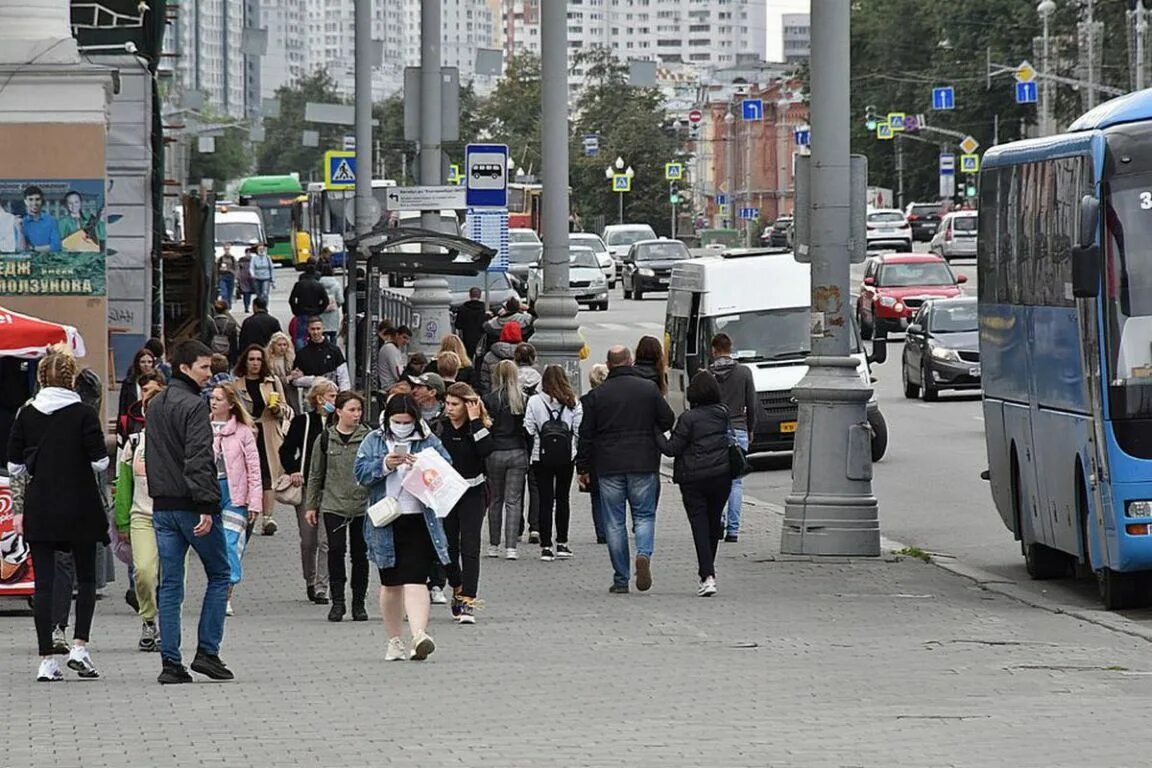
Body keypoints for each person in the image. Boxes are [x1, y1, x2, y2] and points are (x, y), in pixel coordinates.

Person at [7, 352, 108, 681]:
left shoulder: (27, 414)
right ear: (72, 379)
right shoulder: (83, 413)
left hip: (42, 504)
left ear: (40, 379)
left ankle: (46, 660)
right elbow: (100, 462)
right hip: (80, 503)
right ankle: (80, 646)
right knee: (87, 578)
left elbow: (15, 466)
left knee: (44, 583)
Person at [145, 339, 234, 684]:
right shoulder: (195, 406)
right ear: (185, 368)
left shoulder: (155, 405)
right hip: (190, 504)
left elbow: (154, 455)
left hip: (162, 505)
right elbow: (199, 459)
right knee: (219, 573)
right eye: (204, 367)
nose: (210, 374)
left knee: (170, 585)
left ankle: (170, 663)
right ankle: (207, 652)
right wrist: (207, 506)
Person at [354, 394, 452, 661]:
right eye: (398, 421)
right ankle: (395, 639)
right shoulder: (374, 440)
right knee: (391, 583)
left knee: (417, 578)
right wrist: (385, 465)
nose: (402, 426)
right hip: (386, 520)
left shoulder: (428, 440)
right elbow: (360, 473)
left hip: (420, 518)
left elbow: (446, 471)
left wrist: (423, 467)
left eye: (407, 422)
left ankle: (419, 635)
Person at [576, 346, 674, 594]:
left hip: (608, 465)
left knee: (614, 522)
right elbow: (668, 419)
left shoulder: (597, 396)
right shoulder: (648, 389)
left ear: (608, 366)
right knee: (644, 515)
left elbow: (585, 435)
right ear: (629, 362)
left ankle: (621, 578)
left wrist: (583, 467)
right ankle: (643, 553)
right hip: (643, 461)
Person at [654, 372, 733, 597]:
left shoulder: (689, 418)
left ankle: (707, 576)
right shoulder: (723, 413)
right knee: (713, 523)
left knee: (699, 525)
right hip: (721, 476)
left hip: (694, 479)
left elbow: (672, 449)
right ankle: (708, 571)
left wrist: (655, 432)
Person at [306, 392, 371, 622]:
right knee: (335, 551)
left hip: (362, 505)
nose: (356, 414)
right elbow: (315, 474)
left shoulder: (369, 437)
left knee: (360, 555)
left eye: (359, 410)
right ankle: (338, 602)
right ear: (339, 411)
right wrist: (311, 505)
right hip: (333, 505)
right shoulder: (325, 438)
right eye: (352, 410)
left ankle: (359, 603)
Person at [113, 376, 166, 652]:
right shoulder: (135, 443)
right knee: (144, 572)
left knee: (171, 579)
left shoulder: (177, 442)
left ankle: (166, 627)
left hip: (173, 518)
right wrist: (122, 520)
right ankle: (148, 619)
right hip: (142, 515)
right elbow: (123, 485)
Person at [437, 383, 493, 623]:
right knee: (447, 547)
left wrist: (476, 421)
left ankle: (468, 600)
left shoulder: (478, 427)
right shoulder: (440, 428)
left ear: (468, 405)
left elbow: (487, 450)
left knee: (470, 546)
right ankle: (457, 584)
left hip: (473, 490)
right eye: (447, 403)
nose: (449, 409)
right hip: (446, 492)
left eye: (455, 404)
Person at [279, 380, 337, 605]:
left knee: (326, 540)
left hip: (331, 487)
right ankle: (310, 580)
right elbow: (286, 451)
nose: (335, 400)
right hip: (306, 488)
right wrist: (294, 470)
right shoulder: (303, 422)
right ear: (319, 398)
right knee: (308, 540)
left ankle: (322, 587)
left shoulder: (338, 422)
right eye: (331, 395)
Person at [208, 385, 262, 616]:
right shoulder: (201, 426)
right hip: (208, 492)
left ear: (231, 404)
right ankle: (215, 587)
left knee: (230, 544)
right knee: (212, 547)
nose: (213, 402)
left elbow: (254, 468)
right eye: (212, 398)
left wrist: (255, 502)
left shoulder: (243, 432)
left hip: (235, 494)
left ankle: (226, 595)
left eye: (219, 399)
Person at [524, 365, 583, 561]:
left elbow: (529, 429)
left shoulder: (534, 401)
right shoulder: (574, 402)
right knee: (563, 498)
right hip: (567, 456)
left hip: (540, 456)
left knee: (545, 500)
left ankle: (546, 545)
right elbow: (577, 429)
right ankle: (563, 543)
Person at [232, 344, 290, 536]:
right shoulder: (237, 384)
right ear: (245, 362)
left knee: (268, 473)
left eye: (258, 359)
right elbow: (233, 409)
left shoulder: (271, 382)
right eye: (251, 359)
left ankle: (268, 517)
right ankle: (248, 515)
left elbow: (285, 407)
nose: (255, 363)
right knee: (246, 473)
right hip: (246, 431)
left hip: (267, 431)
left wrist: (276, 409)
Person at [710, 332, 757, 543]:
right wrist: (750, 428)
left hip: (714, 431)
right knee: (736, 482)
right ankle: (733, 531)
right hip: (739, 429)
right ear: (731, 348)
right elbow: (752, 404)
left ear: (713, 350)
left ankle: (717, 521)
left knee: (716, 479)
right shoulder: (744, 372)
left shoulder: (707, 375)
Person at [482, 360, 529, 559]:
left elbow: (486, 427)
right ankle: (511, 548)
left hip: (495, 452)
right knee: (514, 501)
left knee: (495, 500)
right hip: (517, 450)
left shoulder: (489, 399)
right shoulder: (523, 399)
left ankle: (493, 545)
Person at [582, 363, 610, 544]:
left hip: (594, 453)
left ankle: (602, 532)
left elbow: (584, 433)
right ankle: (614, 527)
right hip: (613, 452)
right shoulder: (614, 398)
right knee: (613, 493)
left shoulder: (586, 401)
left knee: (597, 496)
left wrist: (581, 465)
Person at [291, 316, 352, 396]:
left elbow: (343, 376)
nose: (315, 332)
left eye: (318, 328)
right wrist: (313, 380)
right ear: (308, 330)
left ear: (323, 329)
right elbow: (295, 380)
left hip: (332, 396)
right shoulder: (301, 354)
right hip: (310, 397)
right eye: (313, 329)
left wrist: (344, 395)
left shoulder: (334, 350)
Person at [117, 370, 165, 449]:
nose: (149, 394)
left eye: (154, 391)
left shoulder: (171, 416)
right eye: (145, 390)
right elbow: (121, 452)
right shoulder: (128, 420)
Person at [289, 262, 330, 350]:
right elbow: (326, 301)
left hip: (302, 312)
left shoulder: (299, 284)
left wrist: (295, 311)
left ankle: (301, 353)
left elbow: (292, 300)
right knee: (316, 334)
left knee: (299, 336)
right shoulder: (318, 285)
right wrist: (319, 310)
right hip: (314, 313)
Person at [118, 347, 159, 427]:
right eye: (143, 362)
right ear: (137, 363)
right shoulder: (128, 382)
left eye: (149, 362)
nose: (146, 365)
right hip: (133, 421)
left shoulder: (158, 382)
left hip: (152, 421)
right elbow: (122, 408)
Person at [479, 322, 521, 395]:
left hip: (494, 397)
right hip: (517, 396)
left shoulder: (490, 355)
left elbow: (485, 380)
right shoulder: (524, 354)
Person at [266, 331, 300, 414]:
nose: (282, 347)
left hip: (290, 390)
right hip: (275, 391)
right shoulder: (268, 360)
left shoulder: (291, 358)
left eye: (284, 345)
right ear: (273, 345)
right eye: (279, 345)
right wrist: (286, 378)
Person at [20, 185, 60, 253]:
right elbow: (21, 249)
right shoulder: (22, 223)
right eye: (30, 199)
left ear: (42, 201)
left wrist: (33, 249)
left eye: (37, 199)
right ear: (25, 201)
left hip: (48, 261)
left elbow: (55, 247)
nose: (34, 203)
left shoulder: (51, 221)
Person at [454, 287, 489, 358]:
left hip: (466, 338)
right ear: (480, 295)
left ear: (470, 295)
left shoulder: (463, 308)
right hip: (480, 339)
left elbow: (458, 325)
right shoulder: (484, 309)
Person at [376, 325, 410, 391]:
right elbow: (398, 374)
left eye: (408, 339)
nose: (406, 341)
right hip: (389, 386)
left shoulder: (394, 348)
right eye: (404, 337)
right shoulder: (390, 348)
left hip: (391, 384)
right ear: (397, 335)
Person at [209, 299, 241, 366]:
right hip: (227, 353)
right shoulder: (231, 324)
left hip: (213, 351)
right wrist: (234, 360)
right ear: (226, 310)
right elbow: (234, 343)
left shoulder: (211, 323)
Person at [318, 261, 343, 344]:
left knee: (322, 332)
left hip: (321, 312)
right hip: (333, 313)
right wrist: (336, 305)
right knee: (333, 334)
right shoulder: (336, 284)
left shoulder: (318, 284)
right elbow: (341, 300)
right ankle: (333, 350)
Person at [217, 244, 237, 309]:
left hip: (230, 276)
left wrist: (235, 276)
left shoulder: (232, 258)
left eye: (228, 249)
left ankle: (229, 306)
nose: (227, 250)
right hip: (223, 276)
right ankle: (224, 305)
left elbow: (236, 268)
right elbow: (217, 267)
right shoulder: (221, 258)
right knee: (224, 292)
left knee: (230, 293)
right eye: (225, 249)